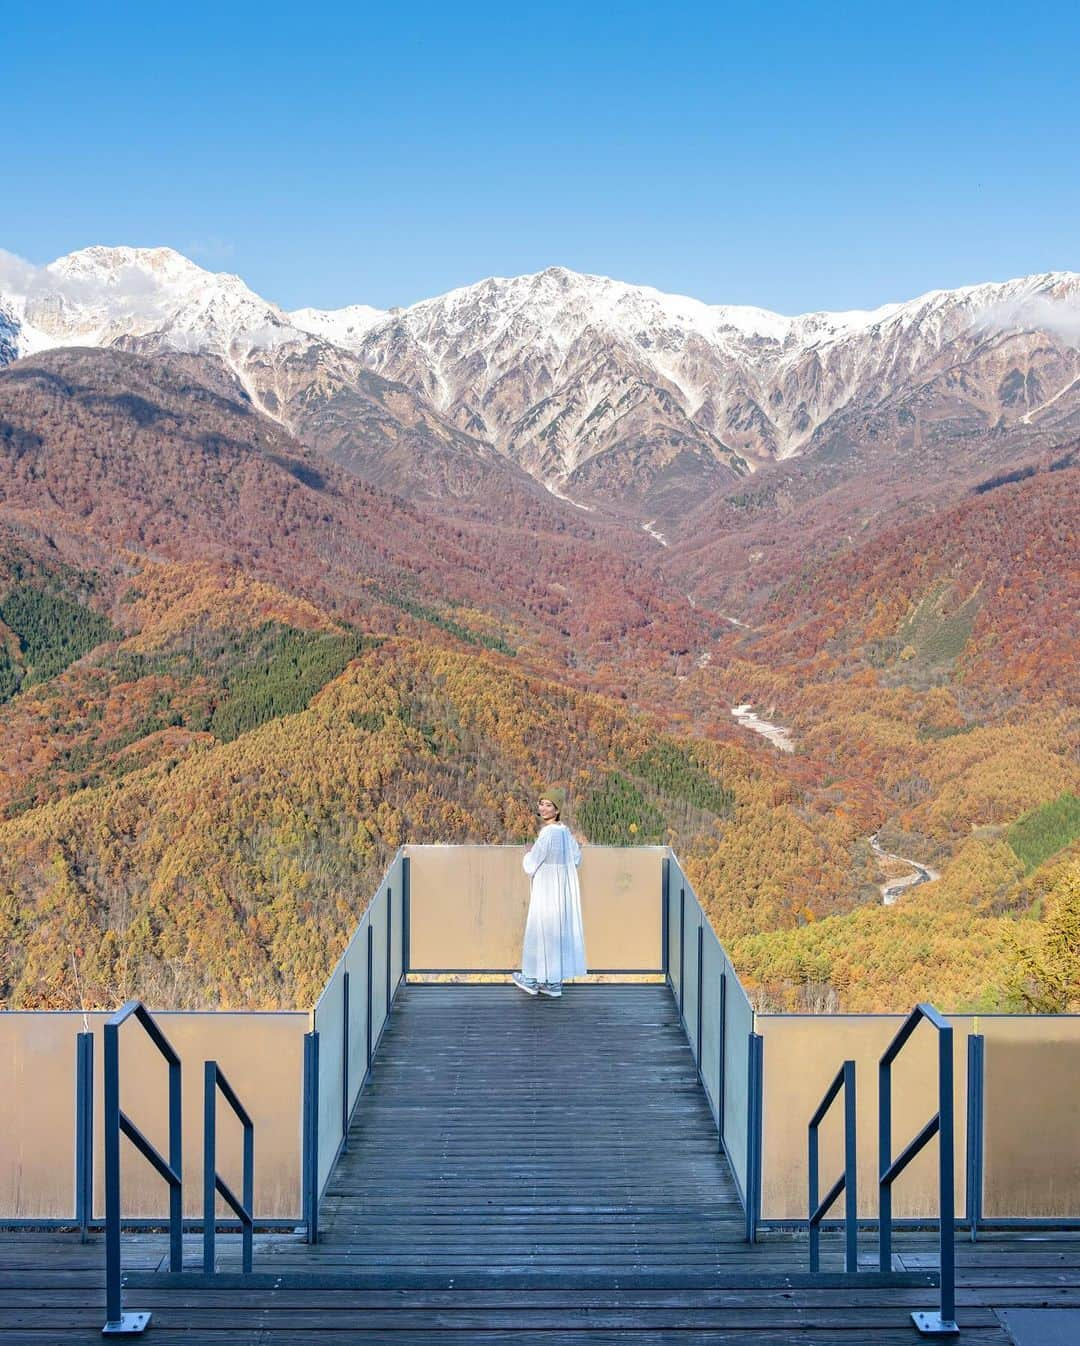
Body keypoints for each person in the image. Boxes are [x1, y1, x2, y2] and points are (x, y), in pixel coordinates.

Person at [512, 787, 587, 998]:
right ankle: (553, 982)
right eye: (541, 803)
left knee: (539, 930)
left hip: (545, 890)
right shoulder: (565, 832)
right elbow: (576, 859)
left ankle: (531, 978)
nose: (543, 808)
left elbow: (530, 865)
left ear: (557, 810)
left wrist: (528, 853)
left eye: (548, 805)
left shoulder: (547, 835)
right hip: (561, 891)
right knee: (556, 933)